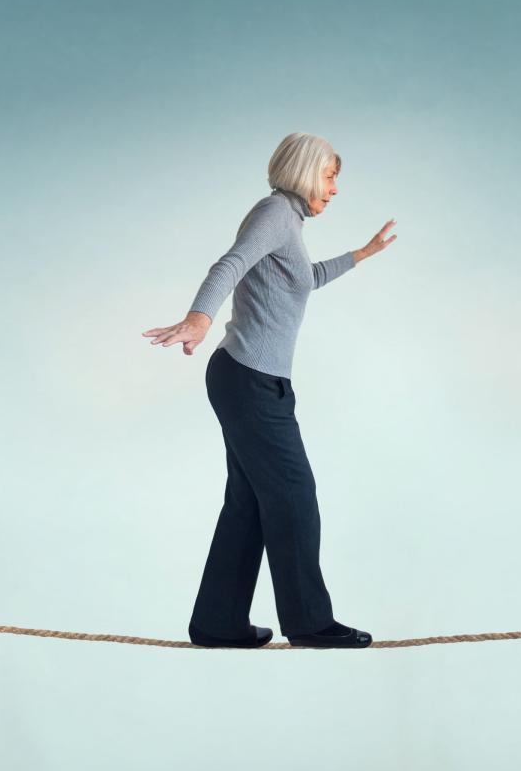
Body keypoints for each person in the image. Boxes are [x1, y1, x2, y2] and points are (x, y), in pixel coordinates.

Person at [141, 132, 397, 648]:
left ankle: (217, 622)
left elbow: (304, 278)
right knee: (294, 496)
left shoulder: (290, 225)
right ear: (304, 172)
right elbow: (230, 264)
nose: (334, 190)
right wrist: (199, 317)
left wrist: (362, 254)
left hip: (254, 381)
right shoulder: (275, 213)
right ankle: (308, 622)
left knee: (250, 503)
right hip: (250, 380)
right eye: (329, 177)